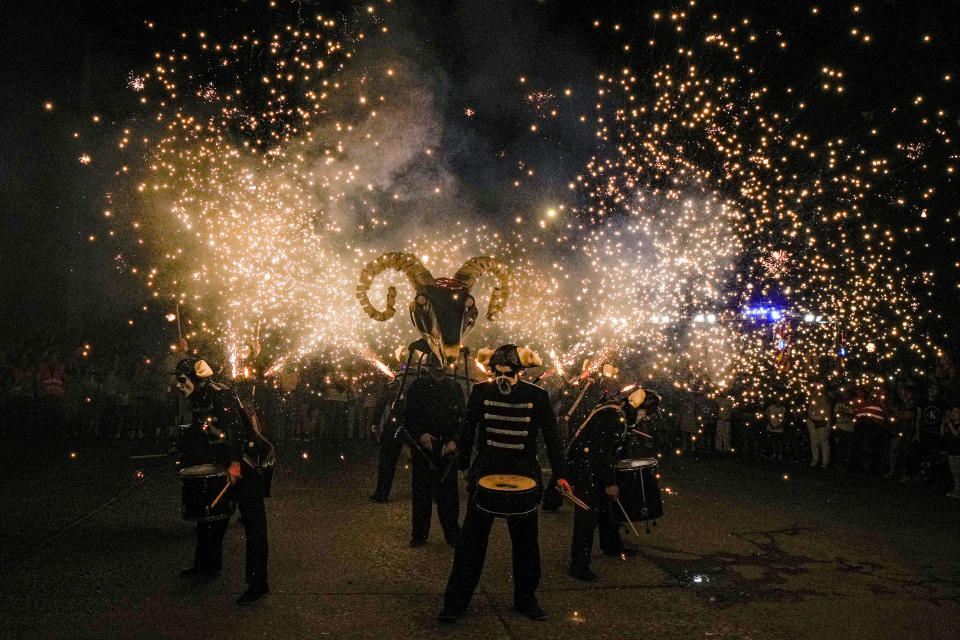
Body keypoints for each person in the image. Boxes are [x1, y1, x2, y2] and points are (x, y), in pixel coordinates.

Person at [439, 345, 570, 623]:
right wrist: (464, 464)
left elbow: (553, 438)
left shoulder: (537, 396)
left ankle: (526, 599)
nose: (501, 378)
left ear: (520, 373)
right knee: (470, 545)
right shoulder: (480, 392)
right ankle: (455, 603)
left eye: (507, 374)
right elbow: (468, 427)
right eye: (496, 372)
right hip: (486, 473)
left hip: (523, 476)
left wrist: (561, 474)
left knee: (526, 545)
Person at [174, 357, 270, 605]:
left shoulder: (221, 394)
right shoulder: (197, 397)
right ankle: (206, 565)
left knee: (253, 523)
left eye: (182, 380)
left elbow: (236, 430)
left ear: (196, 379)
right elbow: (200, 430)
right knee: (211, 517)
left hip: (245, 462)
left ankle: (258, 583)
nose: (178, 385)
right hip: (222, 463)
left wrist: (236, 463)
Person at [566, 386, 659, 582]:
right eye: (647, 413)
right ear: (639, 407)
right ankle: (579, 565)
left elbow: (618, 448)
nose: (647, 418)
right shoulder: (612, 414)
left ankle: (611, 545)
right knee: (588, 515)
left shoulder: (623, 415)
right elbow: (600, 451)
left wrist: (619, 474)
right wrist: (609, 482)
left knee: (608, 509)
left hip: (597, 465)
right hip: (585, 467)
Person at [404, 353, 465, 547]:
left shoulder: (455, 388)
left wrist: (454, 441)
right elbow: (409, 415)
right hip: (424, 447)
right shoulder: (417, 387)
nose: (440, 370)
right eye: (436, 366)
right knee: (421, 492)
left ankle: (452, 533)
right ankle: (419, 534)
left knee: (449, 494)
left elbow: (462, 418)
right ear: (429, 366)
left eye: (442, 366)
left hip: (447, 447)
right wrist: (421, 434)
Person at [807, 385, 832, 468]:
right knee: (814, 441)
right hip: (812, 421)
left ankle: (825, 461)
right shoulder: (811, 397)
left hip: (823, 421)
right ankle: (815, 459)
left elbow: (829, 404)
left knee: (824, 441)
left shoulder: (826, 397)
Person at [941, 403, 960, 499]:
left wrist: (949, 424)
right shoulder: (950, 424)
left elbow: (956, 434)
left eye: (957, 412)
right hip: (951, 451)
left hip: (958, 452)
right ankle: (957, 490)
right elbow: (943, 434)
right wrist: (944, 424)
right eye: (953, 411)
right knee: (954, 473)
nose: (954, 414)